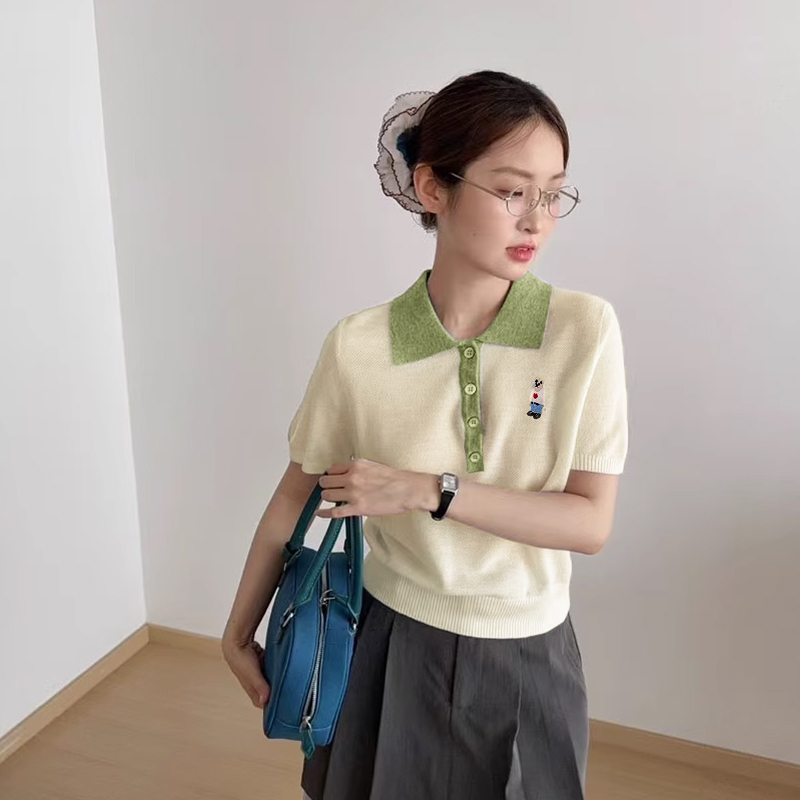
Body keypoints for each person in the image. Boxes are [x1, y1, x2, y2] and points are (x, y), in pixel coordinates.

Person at [222, 70, 629, 800]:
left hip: (529, 652)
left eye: (553, 194)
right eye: (512, 192)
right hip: (387, 640)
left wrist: (430, 490)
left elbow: (590, 522)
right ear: (433, 186)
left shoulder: (583, 330)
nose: (536, 220)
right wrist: (236, 628)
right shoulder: (358, 346)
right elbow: (294, 496)